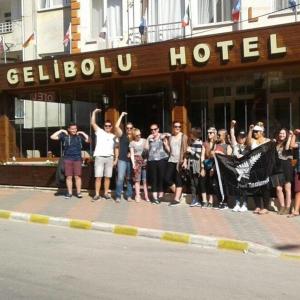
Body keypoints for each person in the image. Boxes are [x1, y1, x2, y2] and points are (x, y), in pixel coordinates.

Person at [50, 122, 89, 199]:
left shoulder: (79, 137)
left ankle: (78, 193)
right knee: (69, 177)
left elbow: (89, 140)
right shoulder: (65, 136)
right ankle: (70, 193)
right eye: (72, 129)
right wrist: (61, 130)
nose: (74, 130)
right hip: (67, 159)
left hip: (77, 159)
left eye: (75, 129)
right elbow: (52, 137)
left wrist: (83, 133)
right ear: (68, 129)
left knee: (77, 176)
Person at [91, 109, 118, 201]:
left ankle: (106, 193)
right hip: (99, 157)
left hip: (109, 158)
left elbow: (116, 148)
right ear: (104, 126)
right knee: (98, 177)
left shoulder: (114, 136)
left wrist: (116, 159)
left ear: (111, 127)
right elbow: (93, 123)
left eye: (109, 126)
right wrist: (94, 112)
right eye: (106, 126)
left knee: (107, 177)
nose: (107, 127)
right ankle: (97, 194)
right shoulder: (100, 132)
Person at [246, 122, 271, 214]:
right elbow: (248, 144)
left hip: (264, 167)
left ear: (261, 132)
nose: (255, 133)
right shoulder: (252, 140)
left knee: (264, 187)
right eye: (254, 132)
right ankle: (257, 206)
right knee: (255, 187)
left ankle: (265, 207)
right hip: (254, 167)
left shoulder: (267, 140)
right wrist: (250, 130)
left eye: (256, 132)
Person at [164, 121, 188, 206]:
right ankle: (178, 193)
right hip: (171, 160)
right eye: (176, 126)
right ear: (173, 127)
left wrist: (185, 161)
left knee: (178, 180)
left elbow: (185, 150)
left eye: (179, 126)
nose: (177, 128)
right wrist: (166, 145)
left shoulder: (183, 136)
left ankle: (176, 199)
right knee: (167, 178)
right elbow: (171, 151)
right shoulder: (171, 137)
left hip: (180, 161)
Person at [145, 123, 169, 204]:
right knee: (153, 179)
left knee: (162, 177)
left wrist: (164, 138)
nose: (153, 131)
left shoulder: (162, 136)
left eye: (155, 129)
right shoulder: (150, 138)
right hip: (152, 160)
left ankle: (160, 195)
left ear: (158, 129)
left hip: (162, 159)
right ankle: (155, 198)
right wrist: (148, 139)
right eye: (151, 130)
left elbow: (169, 135)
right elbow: (146, 149)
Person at [114, 112, 134, 203]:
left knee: (129, 178)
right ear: (125, 129)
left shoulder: (134, 137)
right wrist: (121, 115)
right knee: (121, 178)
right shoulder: (122, 135)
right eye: (127, 128)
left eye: (131, 128)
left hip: (131, 161)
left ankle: (129, 195)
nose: (129, 129)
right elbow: (116, 126)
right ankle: (118, 196)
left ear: (133, 129)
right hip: (122, 159)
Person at [273, 128, 293, 215]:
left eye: (283, 133)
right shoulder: (275, 144)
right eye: (280, 133)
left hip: (287, 167)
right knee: (278, 188)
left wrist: (290, 137)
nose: (281, 135)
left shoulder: (288, 142)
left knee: (287, 188)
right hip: (276, 168)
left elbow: (288, 147)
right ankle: (282, 206)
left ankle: (288, 207)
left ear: (286, 134)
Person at [230, 120, 248, 212]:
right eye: (240, 137)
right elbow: (232, 134)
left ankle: (244, 204)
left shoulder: (248, 147)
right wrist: (232, 126)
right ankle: (237, 203)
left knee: (244, 188)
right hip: (236, 170)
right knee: (236, 187)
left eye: (243, 137)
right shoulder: (235, 146)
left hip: (245, 171)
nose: (241, 139)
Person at [186, 127, 206, 207]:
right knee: (192, 182)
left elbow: (198, 156)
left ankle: (199, 199)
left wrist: (191, 151)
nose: (190, 135)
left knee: (196, 183)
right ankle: (195, 199)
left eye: (191, 133)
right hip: (191, 164)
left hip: (196, 165)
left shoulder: (199, 143)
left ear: (194, 134)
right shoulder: (192, 142)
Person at [129, 128, 150, 202]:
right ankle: (137, 195)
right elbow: (132, 154)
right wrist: (133, 164)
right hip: (136, 161)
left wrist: (146, 159)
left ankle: (146, 196)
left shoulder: (144, 141)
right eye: (137, 135)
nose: (139, 136)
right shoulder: (132, 143)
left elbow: (147, 151)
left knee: (144, 180)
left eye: (140, 134)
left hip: (144, 160)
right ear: (134, 135)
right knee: (137, 180)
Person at [203, 127, 218, 208]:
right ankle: (209, 201)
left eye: (211, 133)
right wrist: (202, 167)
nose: (209, 134)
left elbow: (218, 156)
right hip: (207, 165)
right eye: (208, 132)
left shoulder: (217, 143)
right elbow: (203, 156)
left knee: (214, 184)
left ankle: (214, 201)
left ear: (214, 134)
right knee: (207, 183)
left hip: (215, 166)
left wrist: (214, 168)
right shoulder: (205, 143)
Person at [288, 129, 300, 217]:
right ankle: (296, 211)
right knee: (298, 191)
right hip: (299, 170)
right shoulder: (299, 144)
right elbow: (291, 145)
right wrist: (295, 135)